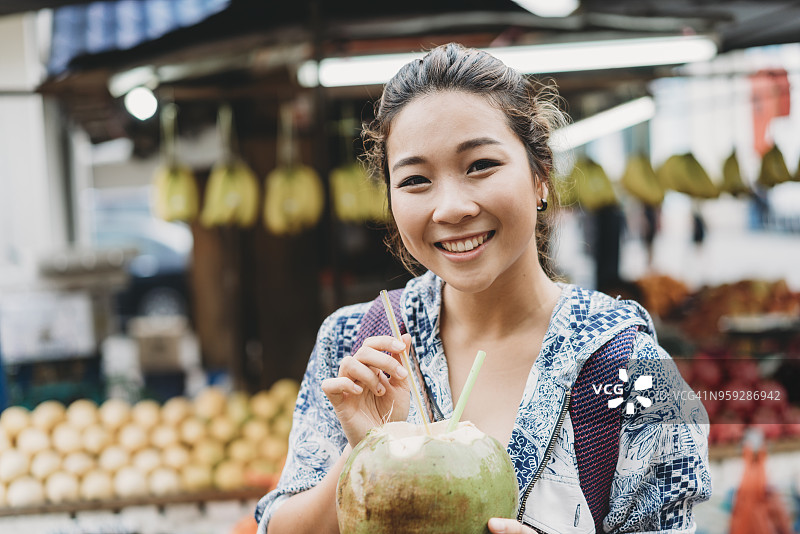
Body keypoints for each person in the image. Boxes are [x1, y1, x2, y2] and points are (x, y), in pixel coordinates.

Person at [255, 43, 711, 534]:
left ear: (540, 175)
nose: (450, 208)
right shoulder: (355, 344)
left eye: (480, 166)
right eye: (414, 180)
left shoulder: (639, 368)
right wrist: (365, 451)